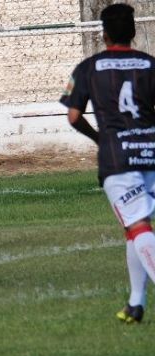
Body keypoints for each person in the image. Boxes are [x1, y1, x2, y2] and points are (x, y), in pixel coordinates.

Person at [61, 3, 155, 324]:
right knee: (135, 226)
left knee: (138, 226)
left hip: (118, 158)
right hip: (150, 152)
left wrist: (100, 138)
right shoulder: (149, 64)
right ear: (133, 31)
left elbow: (74, 116)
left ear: (103, 34)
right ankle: (136, 303)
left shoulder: (88, 67)